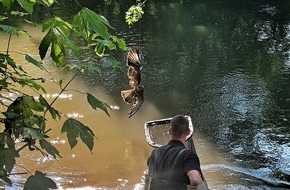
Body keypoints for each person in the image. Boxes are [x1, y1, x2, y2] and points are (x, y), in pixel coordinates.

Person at [146, 115, 208, 190]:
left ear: (170, 131)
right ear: (188, 132)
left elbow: (149, 179)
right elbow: (195, 179)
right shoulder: (189, 156)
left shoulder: (155, 153)